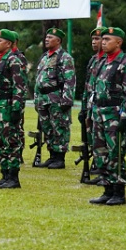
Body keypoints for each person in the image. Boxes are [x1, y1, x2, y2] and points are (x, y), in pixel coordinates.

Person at [89, 27, 126, 206]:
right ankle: (107, 189)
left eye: (108, 39)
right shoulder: (102, 62)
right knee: (100, 152)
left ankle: (119, 191)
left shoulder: (125, 63)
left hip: (114, 114)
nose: (103, 42)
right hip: (99, 113)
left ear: (119, 42)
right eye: (103, 39)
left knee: (115, 153)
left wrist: (125, 116)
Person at [0, 30, 27, 189]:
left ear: (9, 44)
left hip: (8, 106)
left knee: (11, 141)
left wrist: (16, 108)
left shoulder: (13, 60)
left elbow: (19, 87)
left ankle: (13, 176)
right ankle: (4, 174)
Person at [33, 27, 76, 169]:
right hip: (43, 98)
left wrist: (66, 100)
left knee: (60, 127)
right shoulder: (44, 57)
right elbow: (38, 79)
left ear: (58, 41)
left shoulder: (65, 57)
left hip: (56, 98)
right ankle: (52, 156)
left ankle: (60, 158)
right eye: (46, 37)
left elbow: (70, 81)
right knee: (47, 128)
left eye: (50, 37)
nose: (47, 39)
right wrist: (36, 98)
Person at [78, 27, 107, 184]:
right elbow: (87, 85)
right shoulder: (93, 59)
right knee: (92, 136)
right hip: (91, 104)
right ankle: (97, 162)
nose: (95, 42)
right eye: (93, 40)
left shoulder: (109, 60)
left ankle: (103, 166)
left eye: (98, 39)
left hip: (103, 106)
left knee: (103, 137)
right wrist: (83, 106)